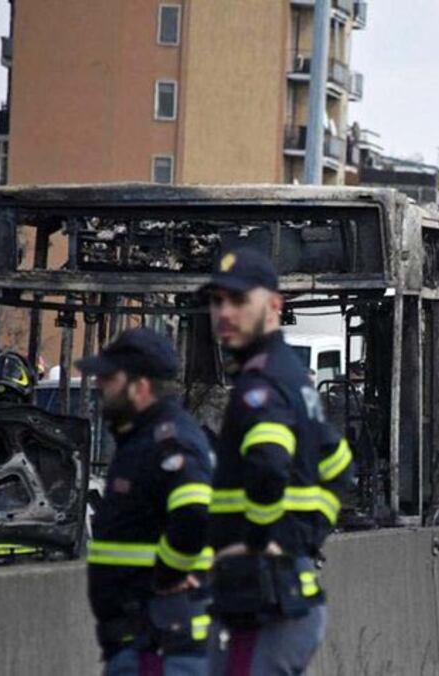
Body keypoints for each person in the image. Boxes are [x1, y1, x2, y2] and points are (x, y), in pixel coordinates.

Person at [202, 248, 355, 674]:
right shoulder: (290, 374)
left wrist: (257, 543)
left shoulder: (261, 383)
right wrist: (308, 536)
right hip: (282, 595)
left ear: (273, 306)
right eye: (217, 301)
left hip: (263, 600)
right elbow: (342, 467)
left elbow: (269, 467)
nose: (224, 313)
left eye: (238, 300)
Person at [79, 328, 214, 675]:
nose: (99, 386)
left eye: (109, 378)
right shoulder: (139, 440)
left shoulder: (168, 441)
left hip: (161, 643)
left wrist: (167, 572)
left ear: (139, 387)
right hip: (138, 641)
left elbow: (195, 512)